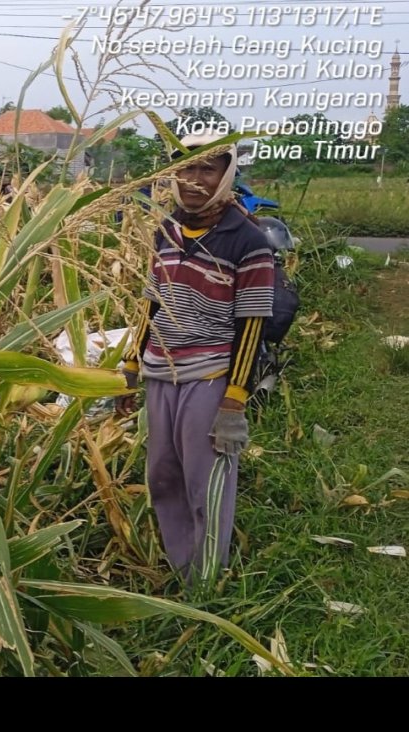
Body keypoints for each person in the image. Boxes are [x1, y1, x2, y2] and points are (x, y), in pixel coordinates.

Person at [116, 132, 275, 588]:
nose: (195, 179)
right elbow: (152, 302)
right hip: (161, 372)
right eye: (185, 168)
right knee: (164, 475)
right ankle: (180, 565)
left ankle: (205, 584)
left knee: (206, 483)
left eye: (208, 168)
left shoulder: (248, 241)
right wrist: (132, 365)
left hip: (210, 375)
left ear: (227, 174)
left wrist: (234, 400)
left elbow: (252, 325)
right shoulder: (166, 230)